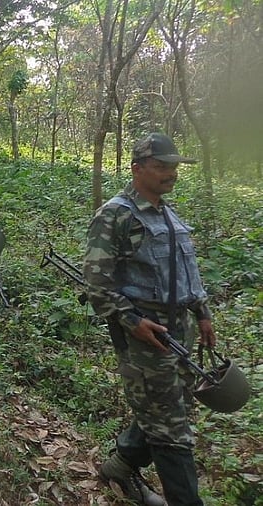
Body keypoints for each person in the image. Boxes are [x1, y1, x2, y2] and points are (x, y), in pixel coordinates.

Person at [83, 132, 215, 506]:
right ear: (137, 168)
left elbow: (186, 272)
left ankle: (121, 465)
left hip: (180, 332)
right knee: (172, 431)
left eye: (174, 167)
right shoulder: (115, 214)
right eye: (161, 166)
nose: (171, 173)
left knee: (172, 408)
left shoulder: (167, 214)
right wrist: (131, 321)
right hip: (145, 336)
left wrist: (202, 313)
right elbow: (96, 283)